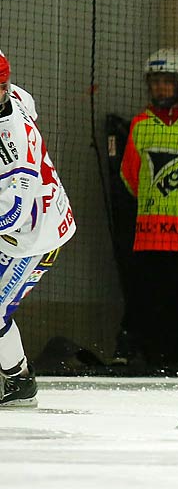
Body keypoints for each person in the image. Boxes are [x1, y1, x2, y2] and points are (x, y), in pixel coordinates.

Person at [115, 48, 178, 372]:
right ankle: (131, 350)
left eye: (166, 82)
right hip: (148, 232)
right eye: (155, 82)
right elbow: (129, 174)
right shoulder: (140, 125)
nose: (160, 88)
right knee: (142, 293)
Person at [0, 50, 77, 408]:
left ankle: (19, 382)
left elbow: (13, 214)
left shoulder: (12, 151)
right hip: (30, 218)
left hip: (33, 237)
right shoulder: (16, 95)